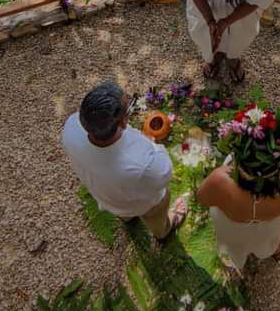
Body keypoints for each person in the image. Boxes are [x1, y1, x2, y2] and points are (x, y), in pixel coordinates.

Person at [62, 81, 187, 239]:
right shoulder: (143, 165)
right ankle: (163, 232)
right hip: (143, 204)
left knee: (121, 209)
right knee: (157, 215)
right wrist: (151, 143)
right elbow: (165, 173)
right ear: (122, 122)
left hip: (106, 197)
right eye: (128, 109)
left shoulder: (71, 128)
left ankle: (126, 218)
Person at [196, 104, 280, 272]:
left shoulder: (220, 181)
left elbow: (202, 199)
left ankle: (236, 262)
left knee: (235, 249)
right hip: (270, 225)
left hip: (232, 229)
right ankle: (271, 250)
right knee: (266, 242)